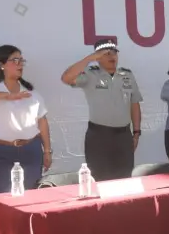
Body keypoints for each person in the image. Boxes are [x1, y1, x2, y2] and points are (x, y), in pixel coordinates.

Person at [0, 45, 51, 195]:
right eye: (15, 60)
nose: (20, 64)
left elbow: (42, 120)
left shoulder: (29, 91)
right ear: (1, 64)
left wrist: (47, 151)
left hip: (30, 151)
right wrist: (5, 96)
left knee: (31, 198)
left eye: (22, 60)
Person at [61, 39, 142, 181]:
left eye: (114, 53)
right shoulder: (90, 75)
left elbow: (134, 104)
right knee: (100, 179)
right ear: (97, 57)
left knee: (124, 179)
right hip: (99, 136)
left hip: (124, 135)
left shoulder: (127, 75)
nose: (112, 57)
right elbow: (66, 78)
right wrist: (89, 59)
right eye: (106, 54)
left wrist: (136, 132)